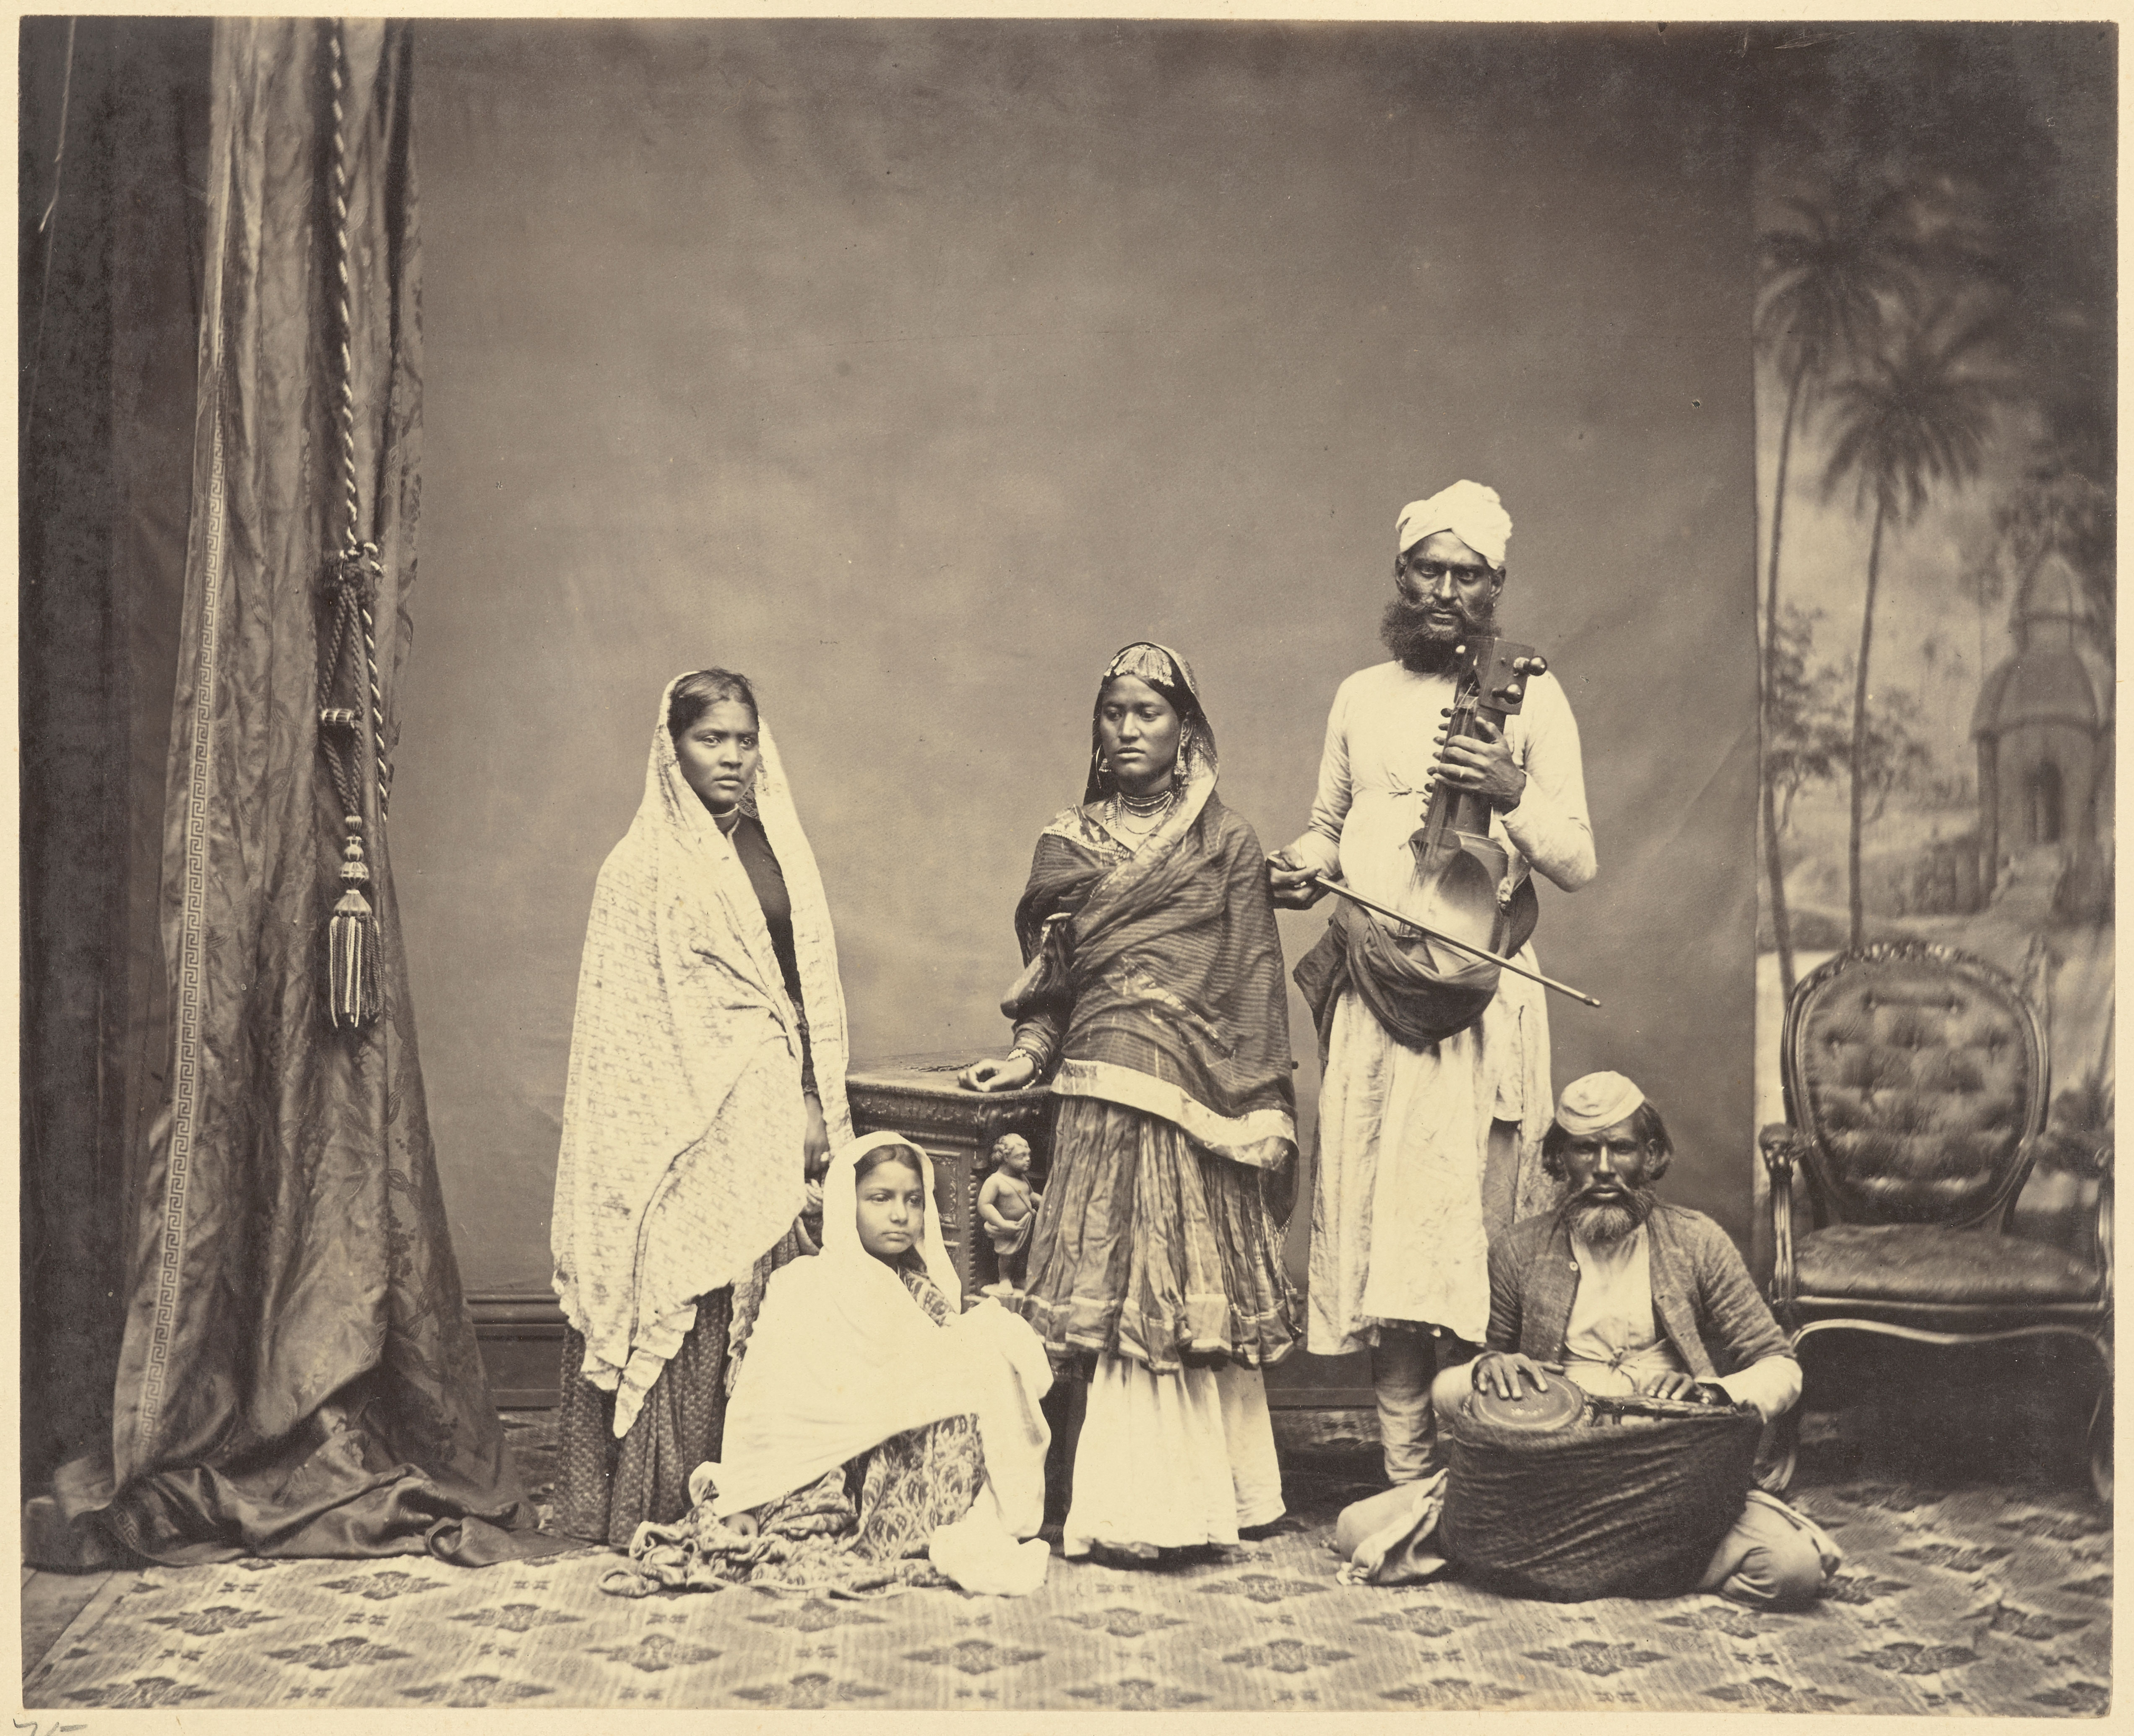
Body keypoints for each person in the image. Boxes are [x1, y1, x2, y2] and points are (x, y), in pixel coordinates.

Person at [1268, 480, 1596, 1486]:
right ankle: (1404, 1472)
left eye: (1467, 575)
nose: (1445, 589)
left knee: (1467, 1231)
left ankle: (1478, 1467)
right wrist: (1301, 863)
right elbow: (1327, 825)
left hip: (1476, 1008)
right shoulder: (1358, 697)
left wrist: (1510, 792)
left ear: (1495, 587)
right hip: (1375, 991)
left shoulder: (1529, 695)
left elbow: (1576, 859)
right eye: (1428, 570)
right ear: (1399, 577)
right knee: (1380, 1233)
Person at [961, 642, 1299, 1561]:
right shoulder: (1068, 840)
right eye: (1113, 712)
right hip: (1104, 1077)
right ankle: (1128, 1507)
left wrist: (1256, 1099)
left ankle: (1222, 1495)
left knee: (1187, 1273)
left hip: (1204, 1088)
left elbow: (1251, 976)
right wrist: (1028, 1049)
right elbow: (1054, 979)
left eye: (1148, 712)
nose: (1127, 729)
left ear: (1186, 727)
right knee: (1121, 1278)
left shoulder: (1228, 840)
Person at [550, 669, 853, 1547]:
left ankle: (764, 1474)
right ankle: (662, 1486)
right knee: (683, 1268)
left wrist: (805, 1096)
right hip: (673, 1113)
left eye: (744, 739)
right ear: (671, 747)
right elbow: (625, 1031)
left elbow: (798, 991)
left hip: (767, 1097)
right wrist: (690, 1098)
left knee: (768, 1269)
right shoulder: (635, 868)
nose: (730, 757)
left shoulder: (777, 850)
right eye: (709, 739)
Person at [1429, 1072, 1839, 1609]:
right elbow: (1450, 1390)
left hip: (1670, 1477)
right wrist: (1485, 1372)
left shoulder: (1698, 1242)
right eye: (1584, 1150)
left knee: (1793, 1571)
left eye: (1620, 1149)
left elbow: (1781, 1366)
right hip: (1553, 1476)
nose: (1603, 1170)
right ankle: (1647, 1568)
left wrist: (1716, 1394)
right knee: (1359, 1530)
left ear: (1650, 1155)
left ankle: (1584, 1564)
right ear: (1559, 1160)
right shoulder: (1518, 1250)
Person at [604, 1132, 1053, 1599]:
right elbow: (763, 1399)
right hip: (821, 1467)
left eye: (913, 1201)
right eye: (880, 1199)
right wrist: (745, 1499)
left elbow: (947, 1365)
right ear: (846, 1204)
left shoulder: (920, 1289)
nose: (900, 1215)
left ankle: (921, 1525)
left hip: (897, 1463)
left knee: (978, 1372)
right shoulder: (803, 1285)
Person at [977, 1134, 1041, 1294]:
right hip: (1006, 1228)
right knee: (1007, 1256)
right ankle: (1004, 1278)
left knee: (1024, 1254)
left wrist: (1045, 1202)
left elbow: (1030, 1196)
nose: (1028, 1160)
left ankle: (1019, 1278)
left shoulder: (1023, 1178)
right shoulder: (995, 1181)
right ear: (1006, 1157)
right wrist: (1002, 1224)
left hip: (1025, 1224)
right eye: (1021, 1156)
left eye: (1029, 1155)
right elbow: (984, 1205)